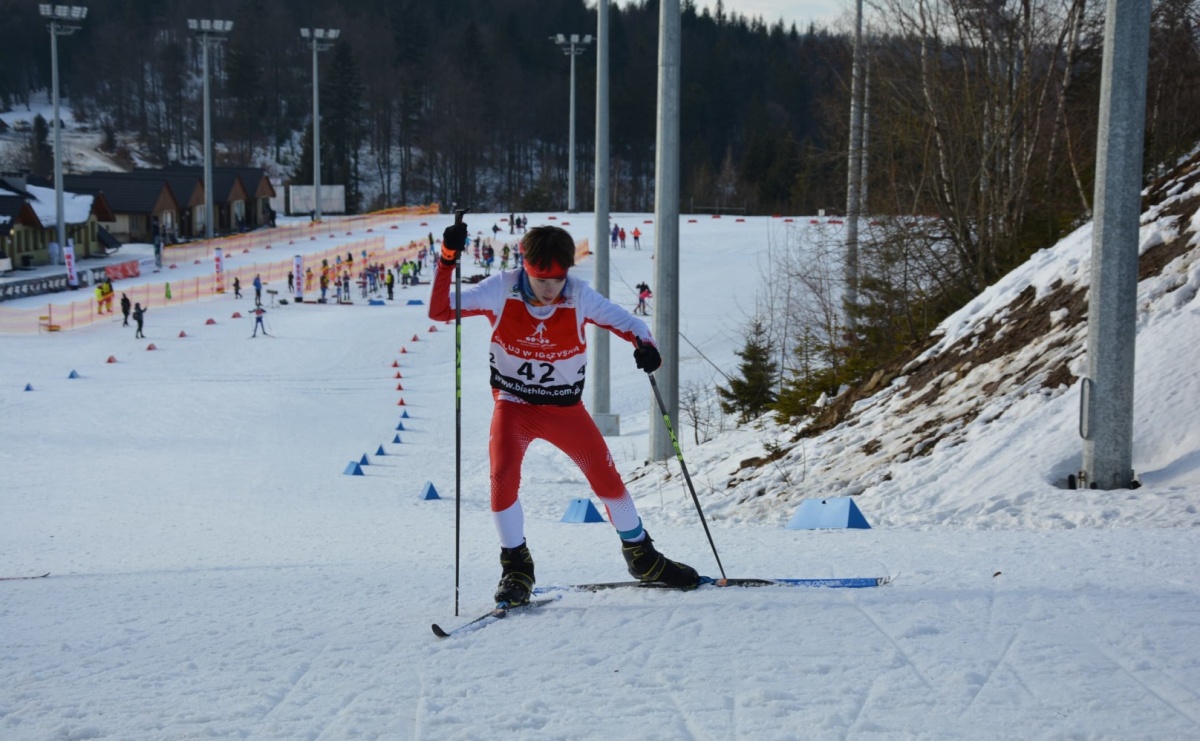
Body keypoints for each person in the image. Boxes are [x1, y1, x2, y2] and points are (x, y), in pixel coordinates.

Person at [428, 222, 699, 607]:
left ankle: (643, 557)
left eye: (557, 278)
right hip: (515, 404)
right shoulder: (501, 288)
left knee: (606, 479)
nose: (551, 288)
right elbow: (440, 310)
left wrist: (646, 346)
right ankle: (516, 568)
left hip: (564, 410)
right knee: (502, 476)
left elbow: (632, 324)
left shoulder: (580, 296)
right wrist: (447, 258)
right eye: (542, 279)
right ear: (526, 267)